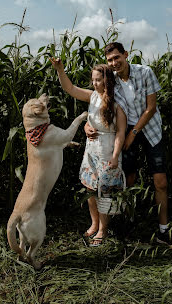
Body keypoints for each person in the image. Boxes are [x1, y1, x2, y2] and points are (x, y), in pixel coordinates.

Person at [85, 42, 170, 245]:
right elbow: (96, 104)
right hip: (124, 131)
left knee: (160, 182)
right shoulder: (110, 80)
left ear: (125, 54)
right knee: (127, 179)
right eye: (110, 60)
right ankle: (126, 223)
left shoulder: (145, 72)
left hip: (149, 129)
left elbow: (150, 109)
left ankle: (164, 230)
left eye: (117, 57)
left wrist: (132, 134)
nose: (114, 63)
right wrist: (86, 125)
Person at [50, 58, 127, 247]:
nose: (94, 83)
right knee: (90, 188)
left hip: (108, 151)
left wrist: (116, 155)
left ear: (107, 80)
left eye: (98, 80)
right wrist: (60, 69)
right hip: (91, 150)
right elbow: (70, 88)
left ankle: (103, 230)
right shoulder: (92, 96)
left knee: (105, 192)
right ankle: (94, 223)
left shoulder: (118, 104)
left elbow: (120, 133)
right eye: (93, 80)